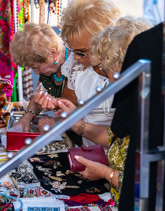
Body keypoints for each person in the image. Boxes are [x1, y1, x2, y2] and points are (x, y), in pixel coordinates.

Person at [56, 15, 152, 205]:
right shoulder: (136, 100)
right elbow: (115, 137)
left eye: (108, 73)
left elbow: (147, 186)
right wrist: (76, 123)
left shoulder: (151, 109)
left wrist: (105, 173)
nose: (108, 81)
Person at [35, 0, 121, 148]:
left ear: (104, 43)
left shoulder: (122, 70)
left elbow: (124, 137)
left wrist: (77, 124)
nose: (75, 58)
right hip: (89, 153)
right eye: (72, 50)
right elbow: (71, 101)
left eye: (81, 52)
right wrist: (57, 105)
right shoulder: (77, 66)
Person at [9, 22, 77, 133]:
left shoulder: (77, 66)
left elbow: (89, 113)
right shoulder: (50, 69)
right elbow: (38, 94)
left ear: (53, 54)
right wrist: (27, 116)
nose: (36, 73)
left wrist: (58, 122)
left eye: (36, 67)